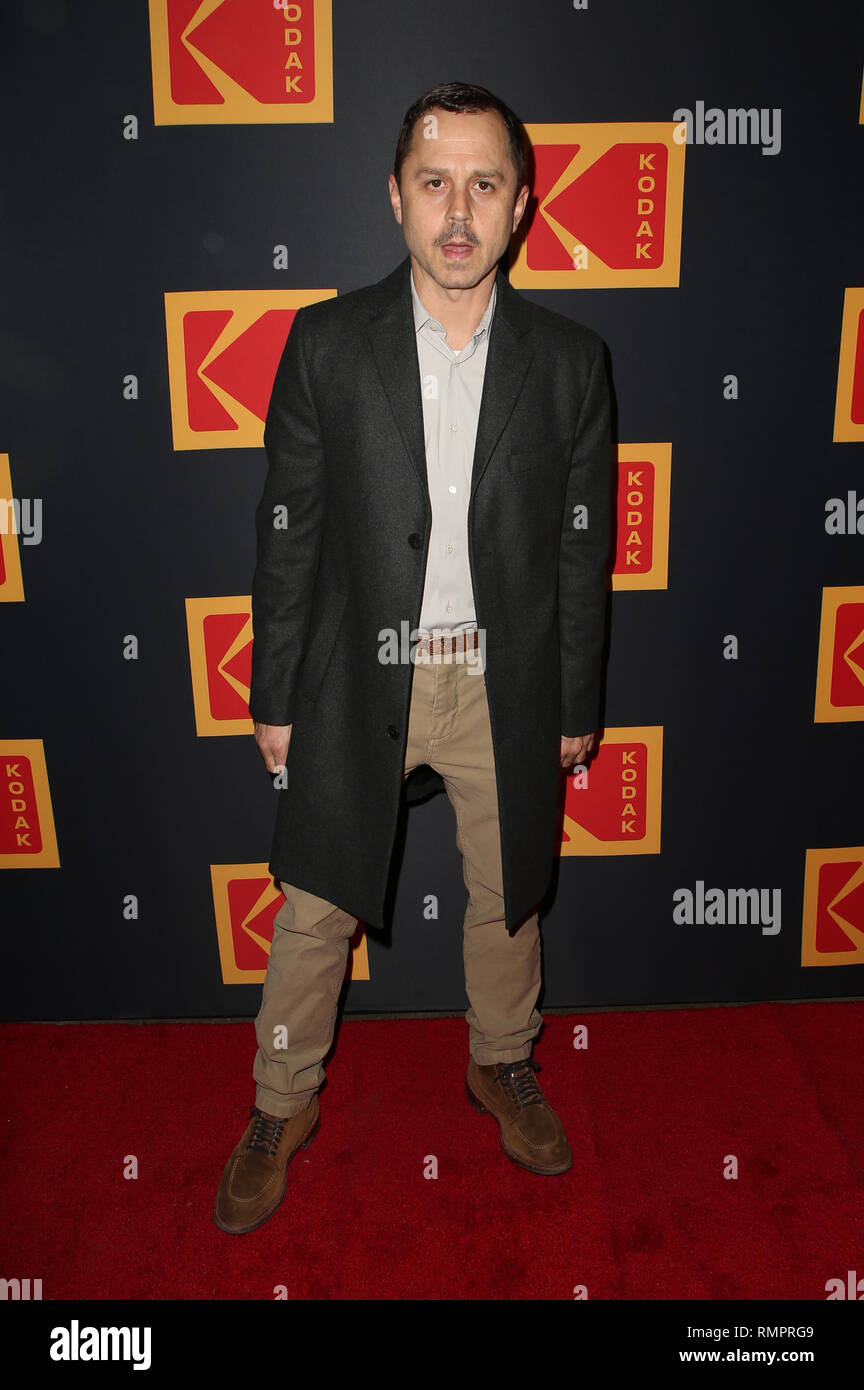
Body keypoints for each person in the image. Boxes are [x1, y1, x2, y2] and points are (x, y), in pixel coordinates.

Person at [214, 81, 613, 1235]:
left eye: (484, 184)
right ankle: (279, 1102)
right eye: (434, 182)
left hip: (505, 679)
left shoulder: (573, 363)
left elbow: (582, 560)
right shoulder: (326, 345)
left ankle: (502, 1060)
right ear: (395, 196)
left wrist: (573, 699)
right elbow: (287, 529)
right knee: (312, 907)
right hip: (356, 674)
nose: (457, 210)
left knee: (509, 895)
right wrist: (276, 690)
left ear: (521, 205)